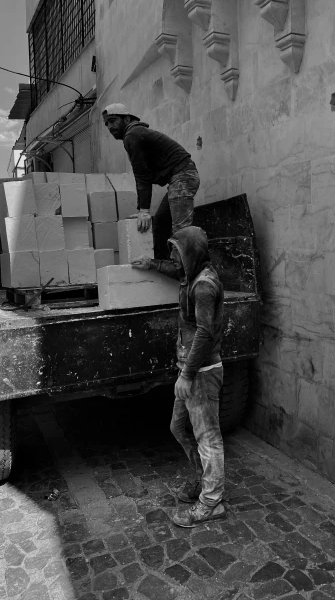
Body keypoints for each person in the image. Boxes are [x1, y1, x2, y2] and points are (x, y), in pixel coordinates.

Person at [133, 226, 226, 527]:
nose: (174, 256)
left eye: (177, 251)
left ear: (191, 253)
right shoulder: (193, 275)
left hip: (201, 372)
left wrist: (186, 375)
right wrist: (153, 265)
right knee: (178, 427)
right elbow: (176, 272)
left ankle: (212, 502)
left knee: (208, 437)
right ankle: (203, 479)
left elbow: (204, 332)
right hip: (189, 369)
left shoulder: (204, 286)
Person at [102, 104, 200, 259]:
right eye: (107, 123)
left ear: (126, 119)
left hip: (183, 176)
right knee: (161, 221)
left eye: (113, 120)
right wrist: (143, 209)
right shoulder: (134, 134)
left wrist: (144, 211)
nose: (109, 126)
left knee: (181, 231)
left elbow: (142, 176)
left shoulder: (132, 135)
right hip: (180, 177)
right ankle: (164, 266)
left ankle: (189, 274)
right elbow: (143, 174)